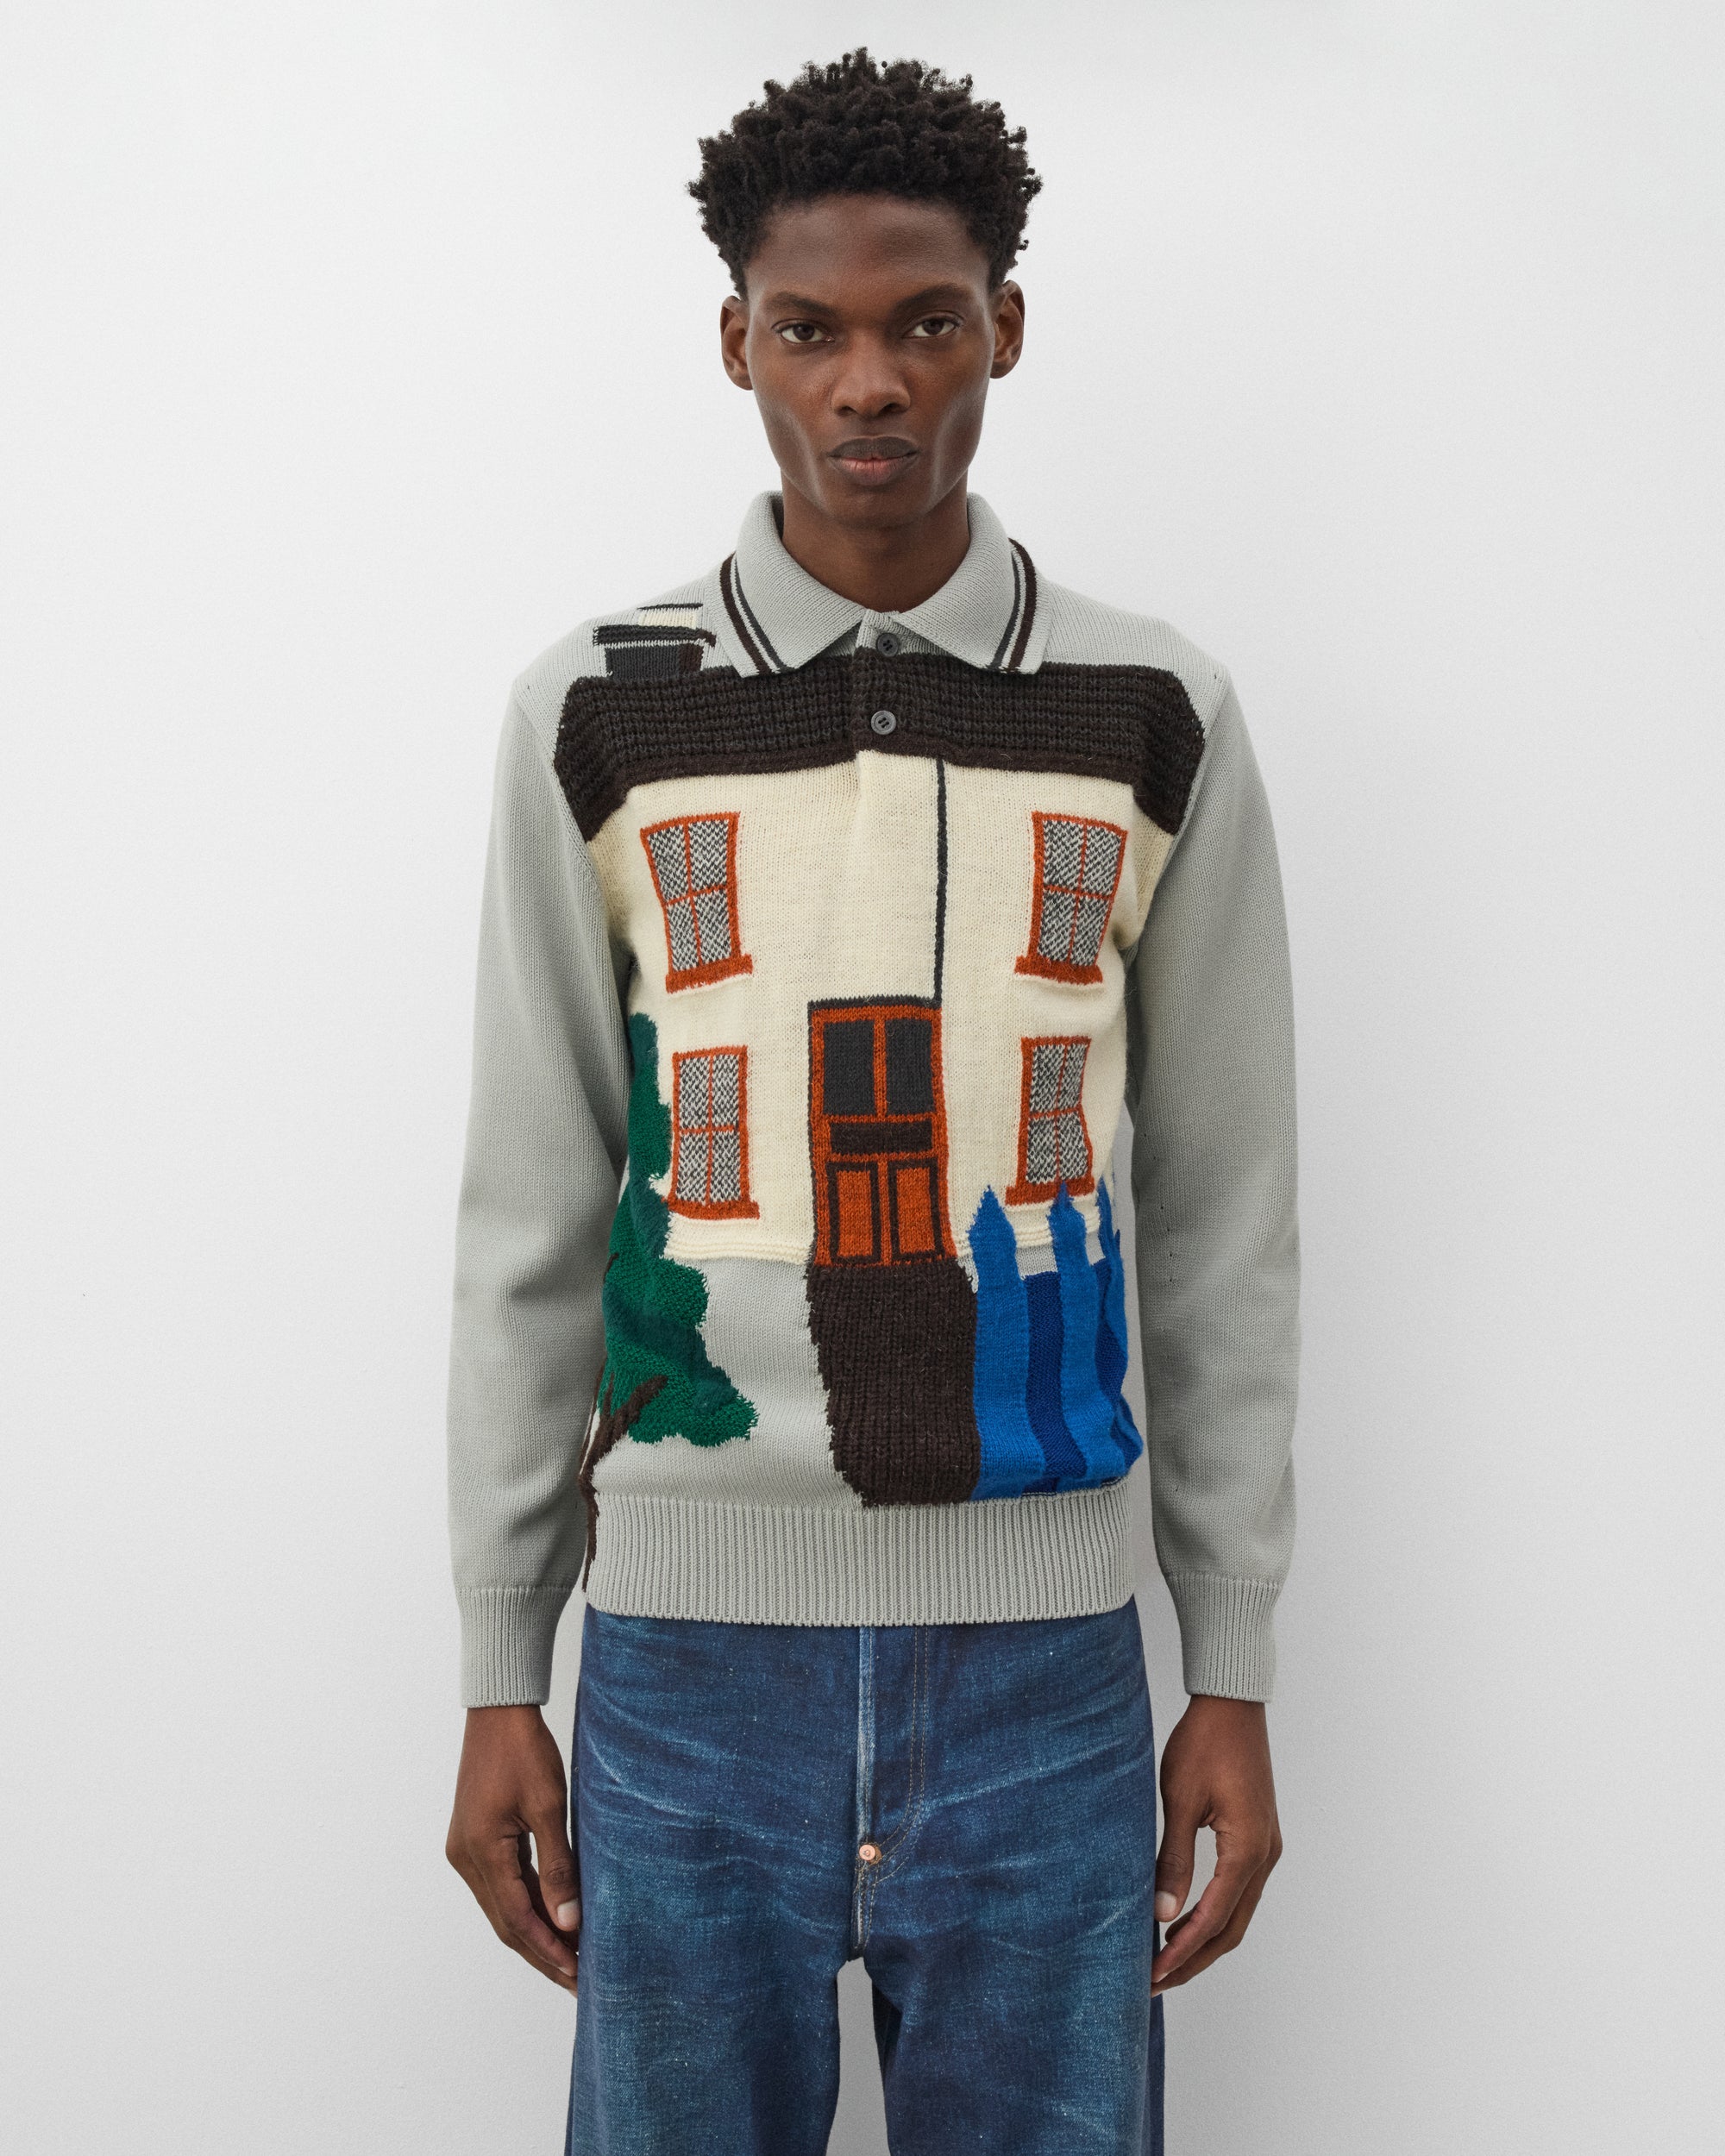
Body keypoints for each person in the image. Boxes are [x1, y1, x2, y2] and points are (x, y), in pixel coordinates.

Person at [443, 51, 1296, 2156]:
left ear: (1002, 322)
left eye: (924, 322)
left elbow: (1222, 1217)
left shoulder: (1152, 709)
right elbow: (533, 1208)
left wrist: (1231, 1654)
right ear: (735, 339)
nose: (869, 384)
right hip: (675, 1665)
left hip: (1044, 1670)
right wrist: (498, 1656)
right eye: (808, 328)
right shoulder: (596, 711)